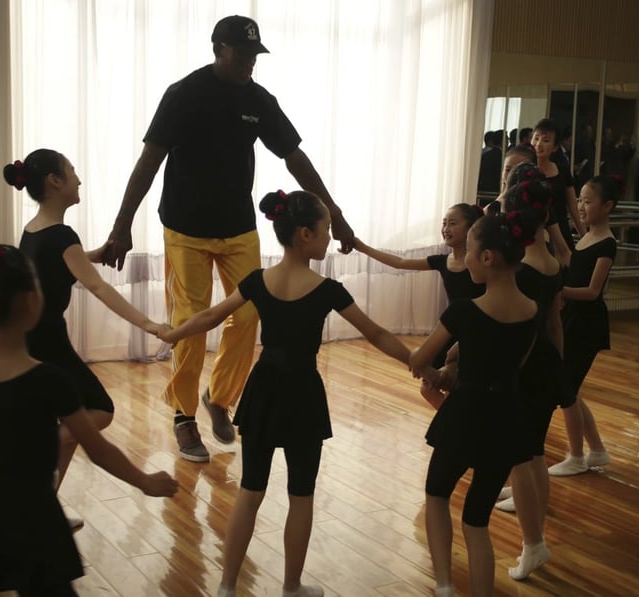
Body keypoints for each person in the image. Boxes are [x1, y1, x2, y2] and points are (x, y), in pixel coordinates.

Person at [101, 15, 356, 462]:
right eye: (242, 54)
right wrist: (121, 226)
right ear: (218, 48)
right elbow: (149, 161)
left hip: (238, 227)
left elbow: (295, 158)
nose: (249, 64)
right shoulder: (184, 95)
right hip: (184, 228)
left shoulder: (258, 99)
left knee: (253, 312)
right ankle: (183, 416)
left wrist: (335, 214)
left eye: (255, 55)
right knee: (192, 321)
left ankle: (218, 399)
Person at [158, 191, 409, 597]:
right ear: (305, 234)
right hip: (302, 394)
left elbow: (208, 316)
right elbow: (377, 334)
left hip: (264, 390)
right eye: (326, 230)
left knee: (249, 490)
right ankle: (291, 587)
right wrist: (417, 362)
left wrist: (173, 333)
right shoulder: (328, 289)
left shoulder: (259, 280)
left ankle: (226, 586)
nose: (330, 238)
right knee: (301, 495)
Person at [0, 238, 178, 596]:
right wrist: (145, 482)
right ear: (29, 301)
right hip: (33, 514)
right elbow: (99, 451)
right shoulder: (50, 380)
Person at [2, 150, 168, 514]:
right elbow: (99, 289)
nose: (79, 179)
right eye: (72, 172)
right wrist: (150, 325)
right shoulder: (62, 235)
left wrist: (91, 254)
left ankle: (44, 511)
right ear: (54, 181)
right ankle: (37, 463)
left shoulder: (33, 231)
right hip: (48, 343)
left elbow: (57, 262)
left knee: (71, 422)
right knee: (98, 411)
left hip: (32, 340)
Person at [410, 211, 540, 597]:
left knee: (436, 494)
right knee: (477, 521)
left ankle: (446, 585)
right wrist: (458, 373)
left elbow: (421, 361)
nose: (463, 258)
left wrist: (437, 375)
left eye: (469, 251)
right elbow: (513, 364)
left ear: (487, 258)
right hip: (507, 417)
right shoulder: (531, 309)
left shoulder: (464, 310)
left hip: (466, 415)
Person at [491, 163, 574, 581]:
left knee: (522, 457)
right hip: (547, 362)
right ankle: (535, 539)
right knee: (536, 452)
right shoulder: (555, 264)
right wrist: (557, 368)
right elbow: (555, 324)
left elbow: (513, 326)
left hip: (522, 365)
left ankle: (534, 544)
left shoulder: (519, 267)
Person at [352, 203, 484, 407]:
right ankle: (458, 425)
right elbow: (400, 263)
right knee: (428, 387)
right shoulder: (443, 261)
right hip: (450, 332)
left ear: (470, 228)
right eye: (444, 223)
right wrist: (361, 247)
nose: (446, 228)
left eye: (453, 223)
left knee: (460, 388)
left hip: (475, 334)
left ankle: (463, 427)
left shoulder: (479, 264)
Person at [548, 175, 620, 476]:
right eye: (579, 200)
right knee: (571, 389)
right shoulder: (587, 236)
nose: (580, 206)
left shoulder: (607, 243)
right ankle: (597, 451)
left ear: (607, 206)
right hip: (572, 318)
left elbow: (592, 291)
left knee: (567, 389)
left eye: (587, 201)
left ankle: (577, 456)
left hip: (587, 323)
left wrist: (558, 292)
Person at [530, 118, 582, 266]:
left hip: (561, 230)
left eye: (546, 140)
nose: (539, 144)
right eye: (536, 138)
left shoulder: (562, 170)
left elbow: (573, 208)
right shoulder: (523, 171)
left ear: (555, 147)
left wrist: (584, 236)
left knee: (564, 274)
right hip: (534, 233)